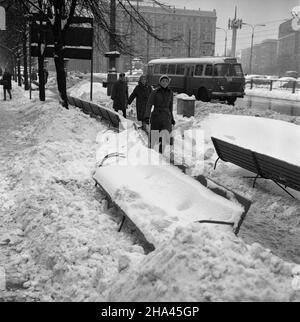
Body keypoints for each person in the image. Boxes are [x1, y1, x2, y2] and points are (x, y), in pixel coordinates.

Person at [144, 74, 175, 154]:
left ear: (168, 83)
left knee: (164, 138)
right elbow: (149, 104)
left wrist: (172, 118)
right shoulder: (155, 92)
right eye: (163, 81)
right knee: (154, 137)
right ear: (160, 82)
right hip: (156, 117)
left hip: (166, 118)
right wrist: (147, 116)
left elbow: (170, 106)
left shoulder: (170, 93)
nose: (164, 83)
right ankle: (150, 154)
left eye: (166, 81)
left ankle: (160, 154)